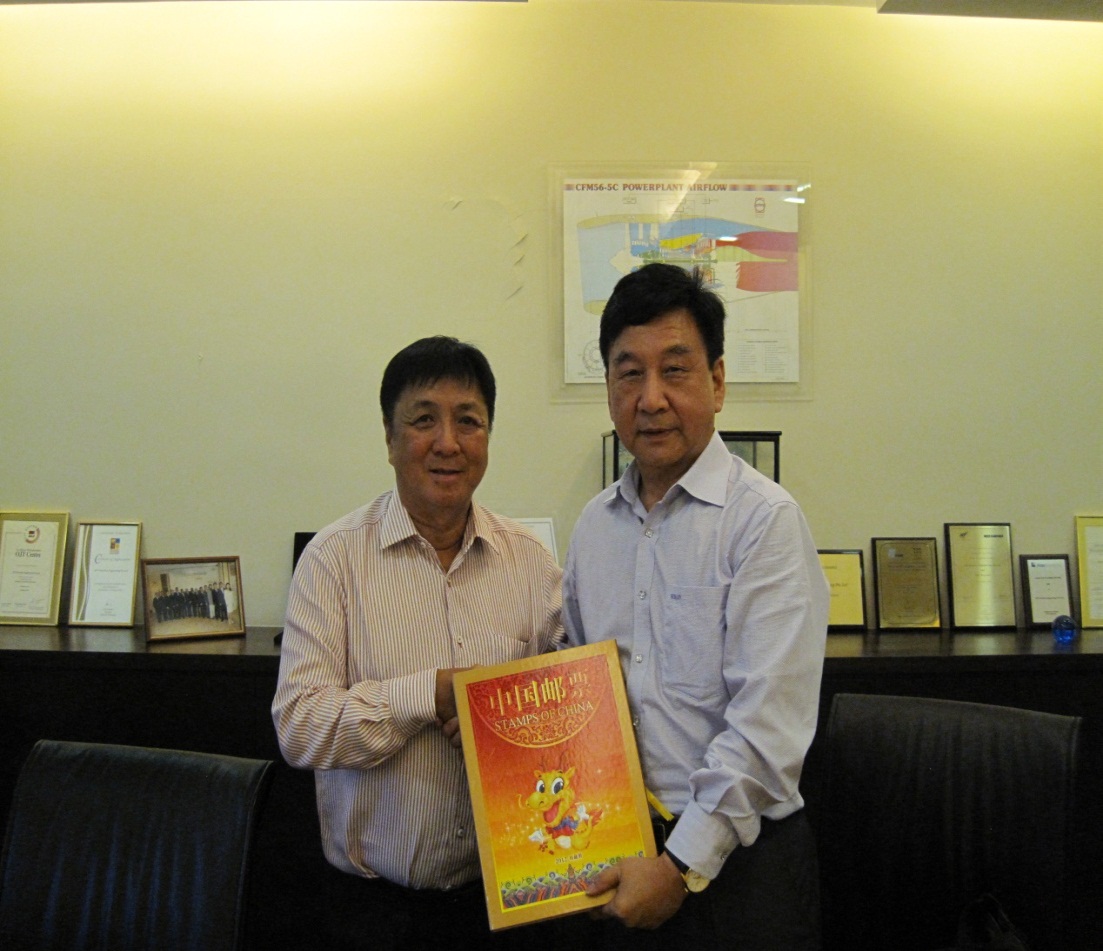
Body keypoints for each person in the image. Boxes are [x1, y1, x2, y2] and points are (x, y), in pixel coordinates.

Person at [561, 263, 829, 949]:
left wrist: (679, 866)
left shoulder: (763, 521)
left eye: (674, 371)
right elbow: (580, 688)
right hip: (624, 856)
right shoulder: (593, 526)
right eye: (629, 373)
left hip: (739, 868)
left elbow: (766, 731)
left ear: (717, 381)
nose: (650, 399)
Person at [272, 335, 563, 950]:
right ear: (389, 436)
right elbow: (299, 727)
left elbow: (565, 722)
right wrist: (429, 695)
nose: (448, 443)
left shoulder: (534, 565)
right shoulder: (332, 561)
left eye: (469, 421)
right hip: (372, 913)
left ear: (488, 436)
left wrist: (511, 719)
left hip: (505, 905)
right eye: (424, 419)